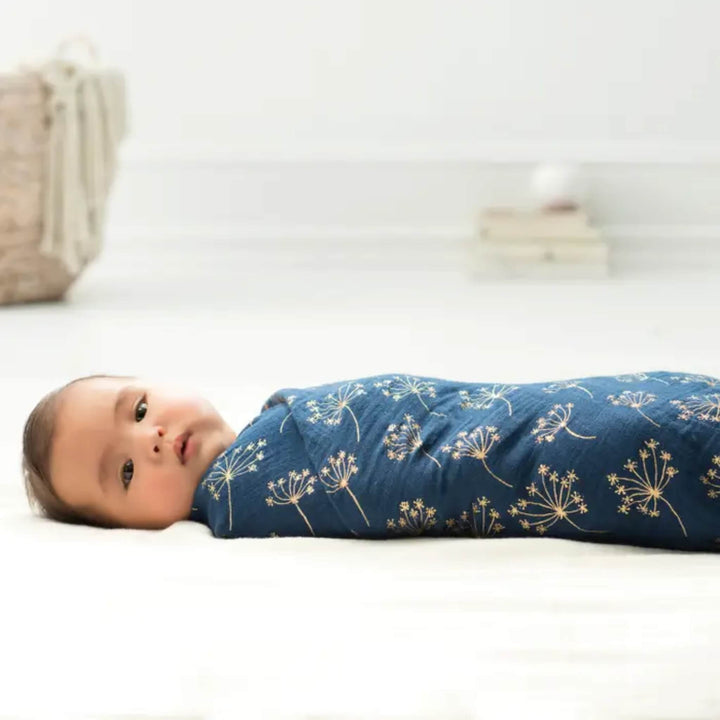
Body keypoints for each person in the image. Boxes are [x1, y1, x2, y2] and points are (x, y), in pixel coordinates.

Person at [23, 370, 720, 552]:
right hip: (554, 450)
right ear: (124, 527)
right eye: (124, 474)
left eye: (139, 409)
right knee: (636, 440)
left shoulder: (270, 427)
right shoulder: (244, 497)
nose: (148, 439)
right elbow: (400, 474)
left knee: (630, 403)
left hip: (525, 404)